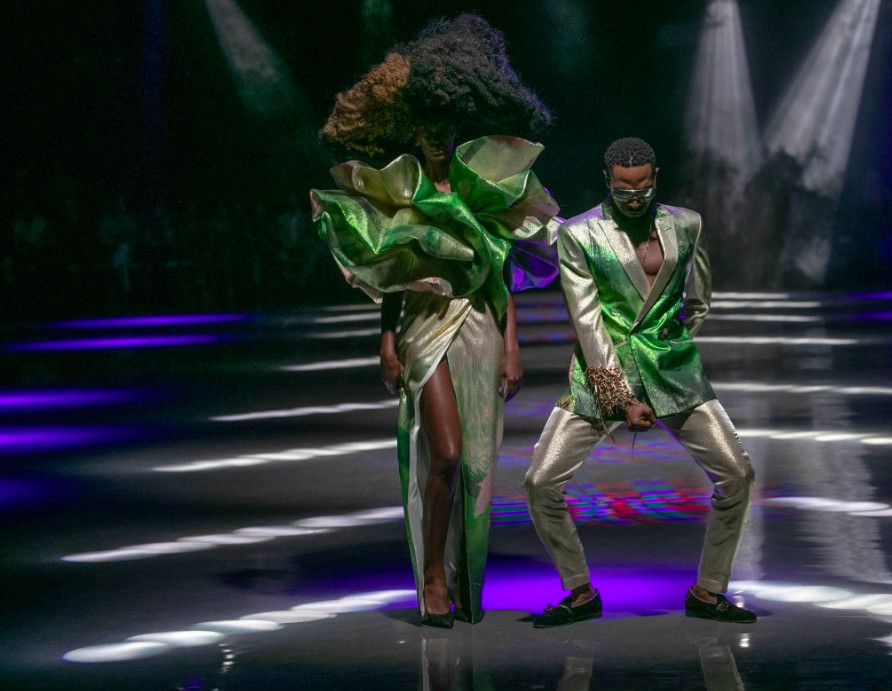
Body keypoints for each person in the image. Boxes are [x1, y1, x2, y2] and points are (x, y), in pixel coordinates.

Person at [310, 15, 558, 628]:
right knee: (444, 451)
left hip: (480, 322)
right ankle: (433, 576)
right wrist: (386, 340)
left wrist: (513, 346)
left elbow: (499, 271)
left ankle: (465, 575)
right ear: (410, 127)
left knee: (477, 462)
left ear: (459, 122)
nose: (436, 136)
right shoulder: (402, 189)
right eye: (425, 125)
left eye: (445, 124)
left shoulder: (484, 185)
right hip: (423, 326)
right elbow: (393, 273)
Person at [523, 137, 756, 627]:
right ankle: (579, 591)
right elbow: (587, 321)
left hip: (672, 369)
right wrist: (622, 397)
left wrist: (666, 345)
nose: (634, 198)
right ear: (607, 181)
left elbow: (699, 301)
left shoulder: (686, 224)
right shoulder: (579, 233)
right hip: (602, 372)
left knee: (737, 476)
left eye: (643, 188)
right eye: (624, 189)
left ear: (655, 178)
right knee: (540, 482)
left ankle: (709, 590)